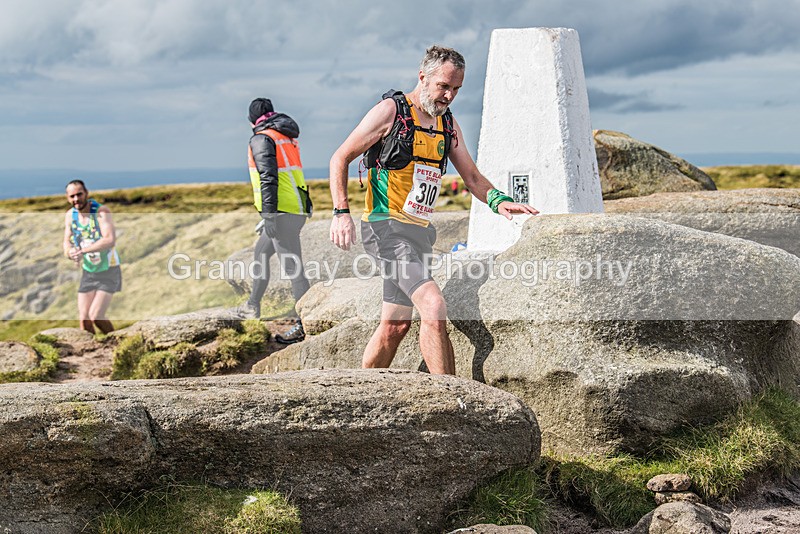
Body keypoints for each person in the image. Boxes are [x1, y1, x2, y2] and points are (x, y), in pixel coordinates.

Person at [329, 45, 539, 375]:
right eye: (444, 86)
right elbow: (340, 157)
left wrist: (499, 201)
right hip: (386, 230)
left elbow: (471, 176)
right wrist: (341, 213)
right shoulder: (391, 112)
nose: (449, 96)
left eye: (456, 89)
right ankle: (451, 402)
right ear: (423, 77)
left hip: (418, 234)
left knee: (395, 327)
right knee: (434, 305)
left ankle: (360, 387)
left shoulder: (447, 123)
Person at [236, 97, 312, 344]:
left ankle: (305, 325)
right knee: (260, 253)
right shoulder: (285, 134)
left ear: (251, 121)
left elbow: (268, 177)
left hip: (281, 213)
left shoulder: (262, 138)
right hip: (293, 208)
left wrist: (268, 215)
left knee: (293, 268)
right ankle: (252, 305)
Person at [62, 179, 121, 334]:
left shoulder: (101, 212)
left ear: (86, 193)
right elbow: (66, 243)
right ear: (67, 197)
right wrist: (70, 253)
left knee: (96, 316)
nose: (76, 199)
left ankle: (118, 345)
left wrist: (84, 250)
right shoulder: (70, 216)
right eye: (72, 196)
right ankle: (92, 352)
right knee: (84, 319)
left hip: (109, 269)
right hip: (89, 270)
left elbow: (109, 239)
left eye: (79, 194)